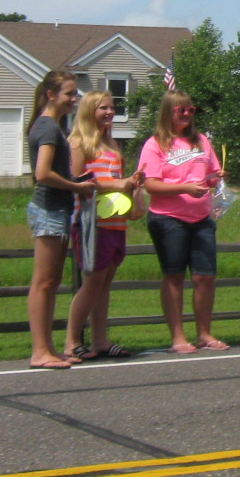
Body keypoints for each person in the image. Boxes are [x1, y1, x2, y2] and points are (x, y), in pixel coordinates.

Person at [137, 90, 228, 353]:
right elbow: (151, 184)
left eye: (191, 109)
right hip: (168, 219)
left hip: (201, 217)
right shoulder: (155, 144)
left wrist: (215, 178)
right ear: (168, 112)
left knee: (205, 277)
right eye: (181, 110)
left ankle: (204, 334)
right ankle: (178, 336)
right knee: (174, 276)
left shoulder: (201, 141)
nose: (187, 114)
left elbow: (208, 176)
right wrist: (185, 188)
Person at [63, 90, 144, 360]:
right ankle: (71, 341)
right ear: (89, 111)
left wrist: (132, 187)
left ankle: (100, 340)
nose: (110, 112)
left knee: (105, 282)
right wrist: (118, 184)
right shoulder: (77, 142)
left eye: (111, 107)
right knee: (93, 281)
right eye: (103, 108)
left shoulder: (112, 145)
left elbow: (117, 182)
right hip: (91, 222)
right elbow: (79, 183)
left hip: (115, 221)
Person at [25, 70, 96, 369]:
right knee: (44, 282)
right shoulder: (48, 128)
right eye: (69, 93)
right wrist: (77, 186)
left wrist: (74, 181)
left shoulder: (53, 126)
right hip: (49, 210)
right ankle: (40, 352)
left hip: (57, 210)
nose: (74, 98)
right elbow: (42, 174)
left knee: (51, 282)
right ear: (51, 94)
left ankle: (47, 349)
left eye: (75, 93)